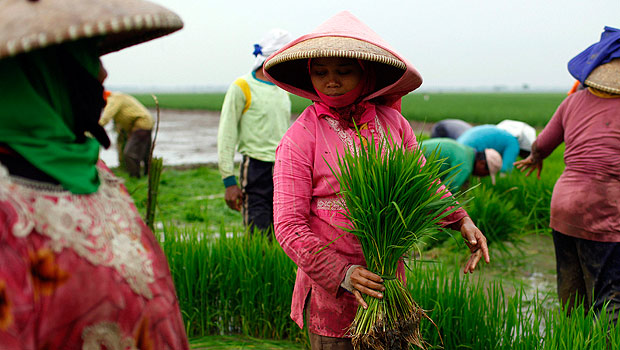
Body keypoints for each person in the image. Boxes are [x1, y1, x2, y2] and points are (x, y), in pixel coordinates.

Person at [264, 11, 490, 348]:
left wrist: (461, 220)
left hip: (388, 284)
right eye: (321, 73)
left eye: (344, 71)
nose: (331, 81)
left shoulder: (392, 124)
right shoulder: (300, 137)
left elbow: (422, 180)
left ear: (365, 73)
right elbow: (289, 226)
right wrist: (343, 274)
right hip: (332, 295)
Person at [0, 0, 189, 348]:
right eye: (85, 57)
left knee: (135, 160)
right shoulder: (7, 207)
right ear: (35, 71)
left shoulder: (95, 172)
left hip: (138, 129)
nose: (101, 73)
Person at [515, 26, 620, 322]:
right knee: (609, 295)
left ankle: (573, 338)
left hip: (564, 206)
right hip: (604, 208)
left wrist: (535, 158)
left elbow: (542, 144)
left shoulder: (572, 102)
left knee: (571, 294)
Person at [217, 28, 293, 233]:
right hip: (255, 168)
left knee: (283, 230)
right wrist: (229, 181)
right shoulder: (242, 87)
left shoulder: (282, 90)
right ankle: (257, 265)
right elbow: (227, 134)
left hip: (282, 168)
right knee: (258, 231)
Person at [100, 90, 154, 178]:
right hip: (141, 124)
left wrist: (94, 127)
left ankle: (135, 177)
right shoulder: (118, 98)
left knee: (129, 153)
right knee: (145, 153)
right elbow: (120, 122)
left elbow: (106, 116)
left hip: (141, 124)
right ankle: (146, 176)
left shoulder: (114, 99)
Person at [420, 138, 502, 190]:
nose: (482, 176)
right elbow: (446, 192)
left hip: (412, 150)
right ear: (482, 163)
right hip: (414, 161)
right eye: (486, 174)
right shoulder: (465, 166)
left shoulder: (466, 151)